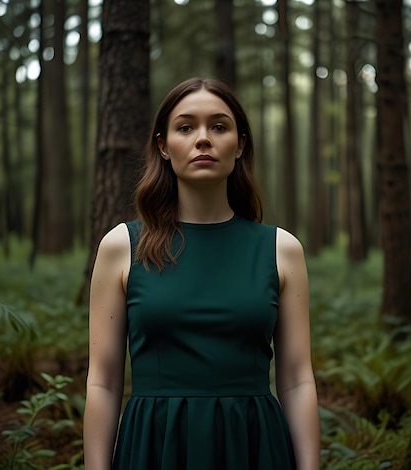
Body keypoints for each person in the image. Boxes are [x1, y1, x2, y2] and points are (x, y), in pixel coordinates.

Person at [83, 77, 320, 470]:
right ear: (163, 145)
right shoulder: (122, 246)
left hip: (253, 444)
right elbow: (103, 382)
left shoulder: (281, 249)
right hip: (154, 446)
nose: (203, 139)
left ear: (239, 144)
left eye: (219, 126)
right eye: (186, 126)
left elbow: (297, 380)